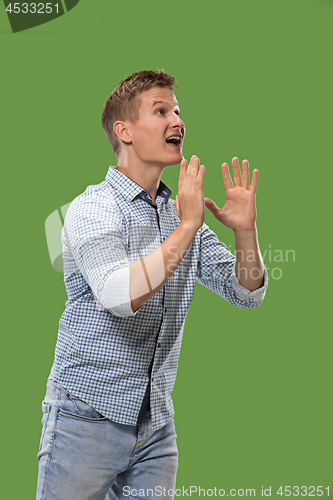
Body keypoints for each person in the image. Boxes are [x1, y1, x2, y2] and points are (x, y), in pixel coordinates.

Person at [36, 69, 268, 500]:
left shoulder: (181, 213)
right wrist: (188, 227)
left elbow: (245, 292)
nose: (176, 121)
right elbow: (120, 295)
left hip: (156, 426)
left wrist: (244, 232)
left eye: (178, 111)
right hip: (85, 419)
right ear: (123, 131)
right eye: (160, 111)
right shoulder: (93, 209)